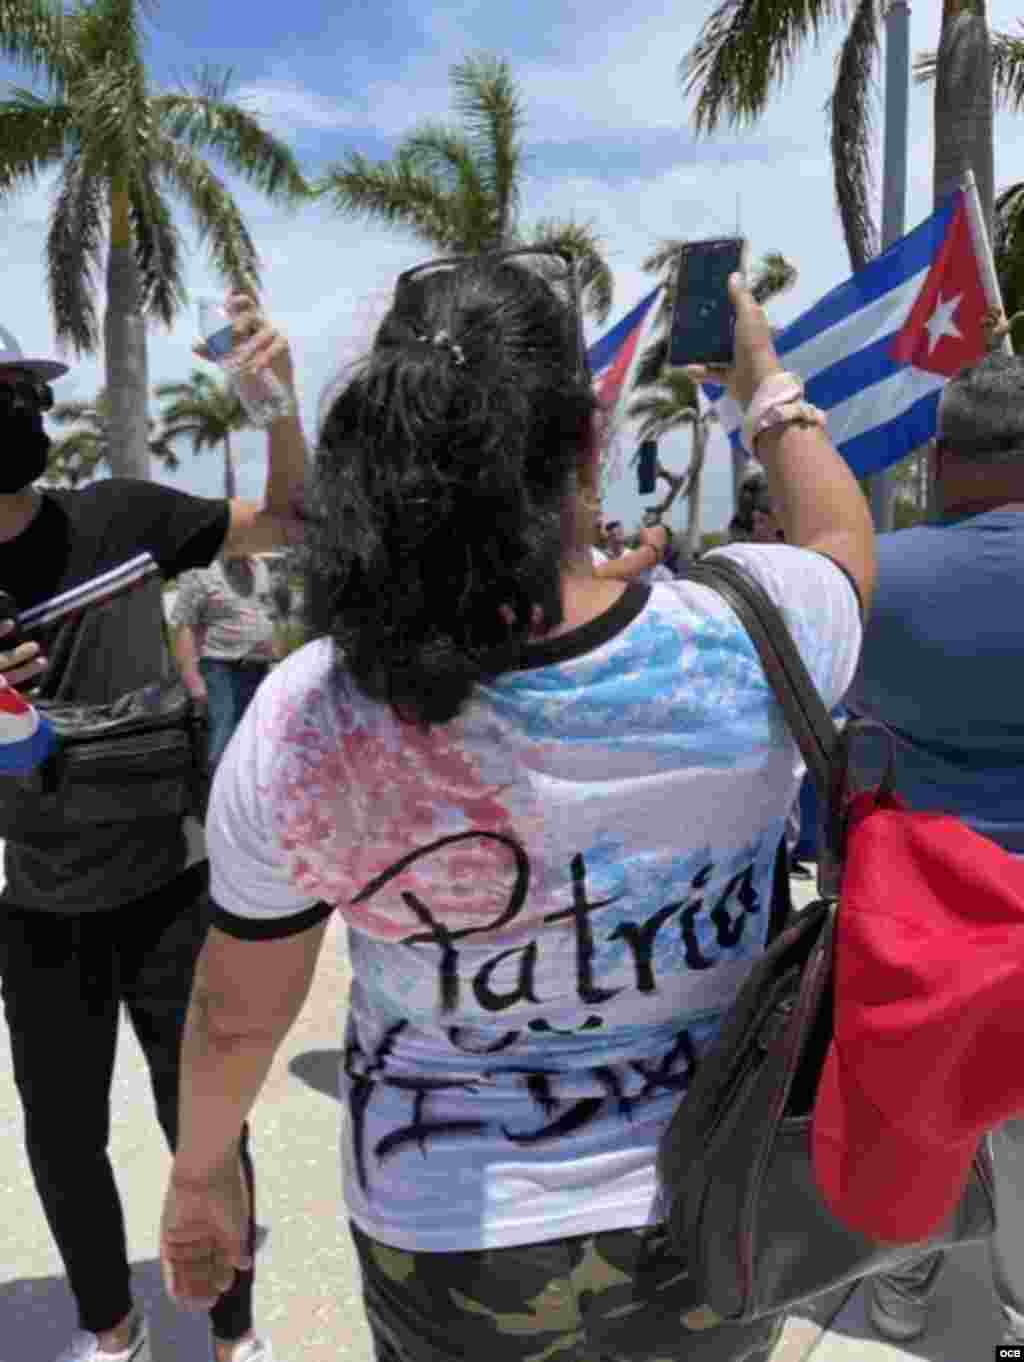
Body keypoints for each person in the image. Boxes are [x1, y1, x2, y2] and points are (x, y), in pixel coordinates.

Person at [159, 259, 873, 1362]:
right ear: (584, 444)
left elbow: (236, 1009)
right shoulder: (747, 628)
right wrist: (763, 382)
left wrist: (202, 1172)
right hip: (714, 1205)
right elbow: (840, 545)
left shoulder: (315, 714)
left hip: (443, 1234)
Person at [0, 299, 306, 1362]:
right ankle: (110, 1329)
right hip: (38, 904)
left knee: (208, 1125)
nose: (14, 416)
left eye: (20, 396)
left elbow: (289, 523)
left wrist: (275, 408)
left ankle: (234, 1334)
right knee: (62, 1136)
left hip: (168, 886)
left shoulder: (120, 520)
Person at [846, 321, 1024, 1349]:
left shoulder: (876, 578)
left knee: (915, 1106)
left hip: (922, 910)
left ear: (942, 460)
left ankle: (900, 1294)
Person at [171, 552, 281, 774]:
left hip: (258, 667)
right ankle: (217, 799)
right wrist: (193, 681)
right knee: (223, 735)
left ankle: (246, 796)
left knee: (256, 736)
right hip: (219, 668)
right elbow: (185, 626)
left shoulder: (259, 566)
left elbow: (266, 612)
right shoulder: (200, 571)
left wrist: (277, 655)